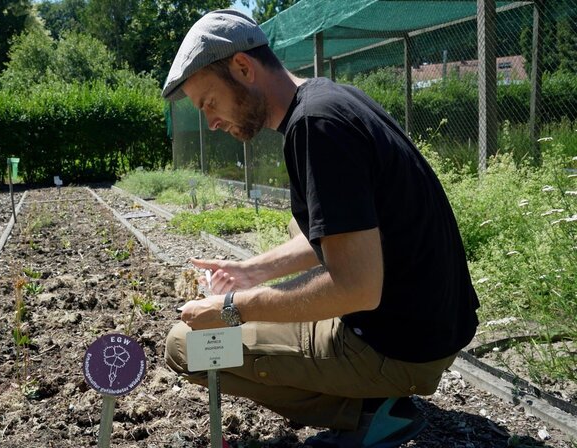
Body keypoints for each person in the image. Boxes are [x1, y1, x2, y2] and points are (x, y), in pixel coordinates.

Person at [161, 10, 479, 448]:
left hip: (397, 346)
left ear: (242, 68)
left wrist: (233, 308)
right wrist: (251, 272)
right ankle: (374, 399)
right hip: (423, 328)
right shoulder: (326, 102)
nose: (211, 122)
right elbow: (334, 233)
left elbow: (357, 288)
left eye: (209, 103)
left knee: (185, 345)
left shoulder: (316, 127)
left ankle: (372, 413)